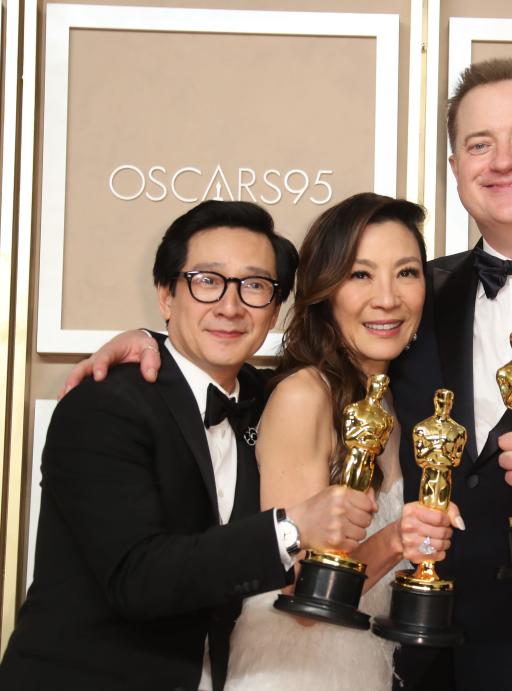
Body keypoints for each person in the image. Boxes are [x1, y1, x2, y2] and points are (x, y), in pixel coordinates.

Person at [61, 59, 512, 690]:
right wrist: (159, 345)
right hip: (422, 663)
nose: (502, 161)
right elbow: (315, 374)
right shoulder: (419, 295)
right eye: (479, 144)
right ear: (455, 167)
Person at [0, 201, 383, 691]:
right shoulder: (104, 405)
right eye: (206, 280)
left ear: (273, 311)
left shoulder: (270, 402)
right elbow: (135, 578)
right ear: (165, 295)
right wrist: (289, 530)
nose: (230, 305)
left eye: (255, 286)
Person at [224, 192, 458, 691]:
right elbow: (300, 593)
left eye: (407, 272)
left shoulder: (398, 401)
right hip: (295, 671)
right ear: (325, 289)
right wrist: (400, 539)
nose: (388, 298)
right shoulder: (304, 395)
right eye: (360, 274)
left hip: (362, 666)